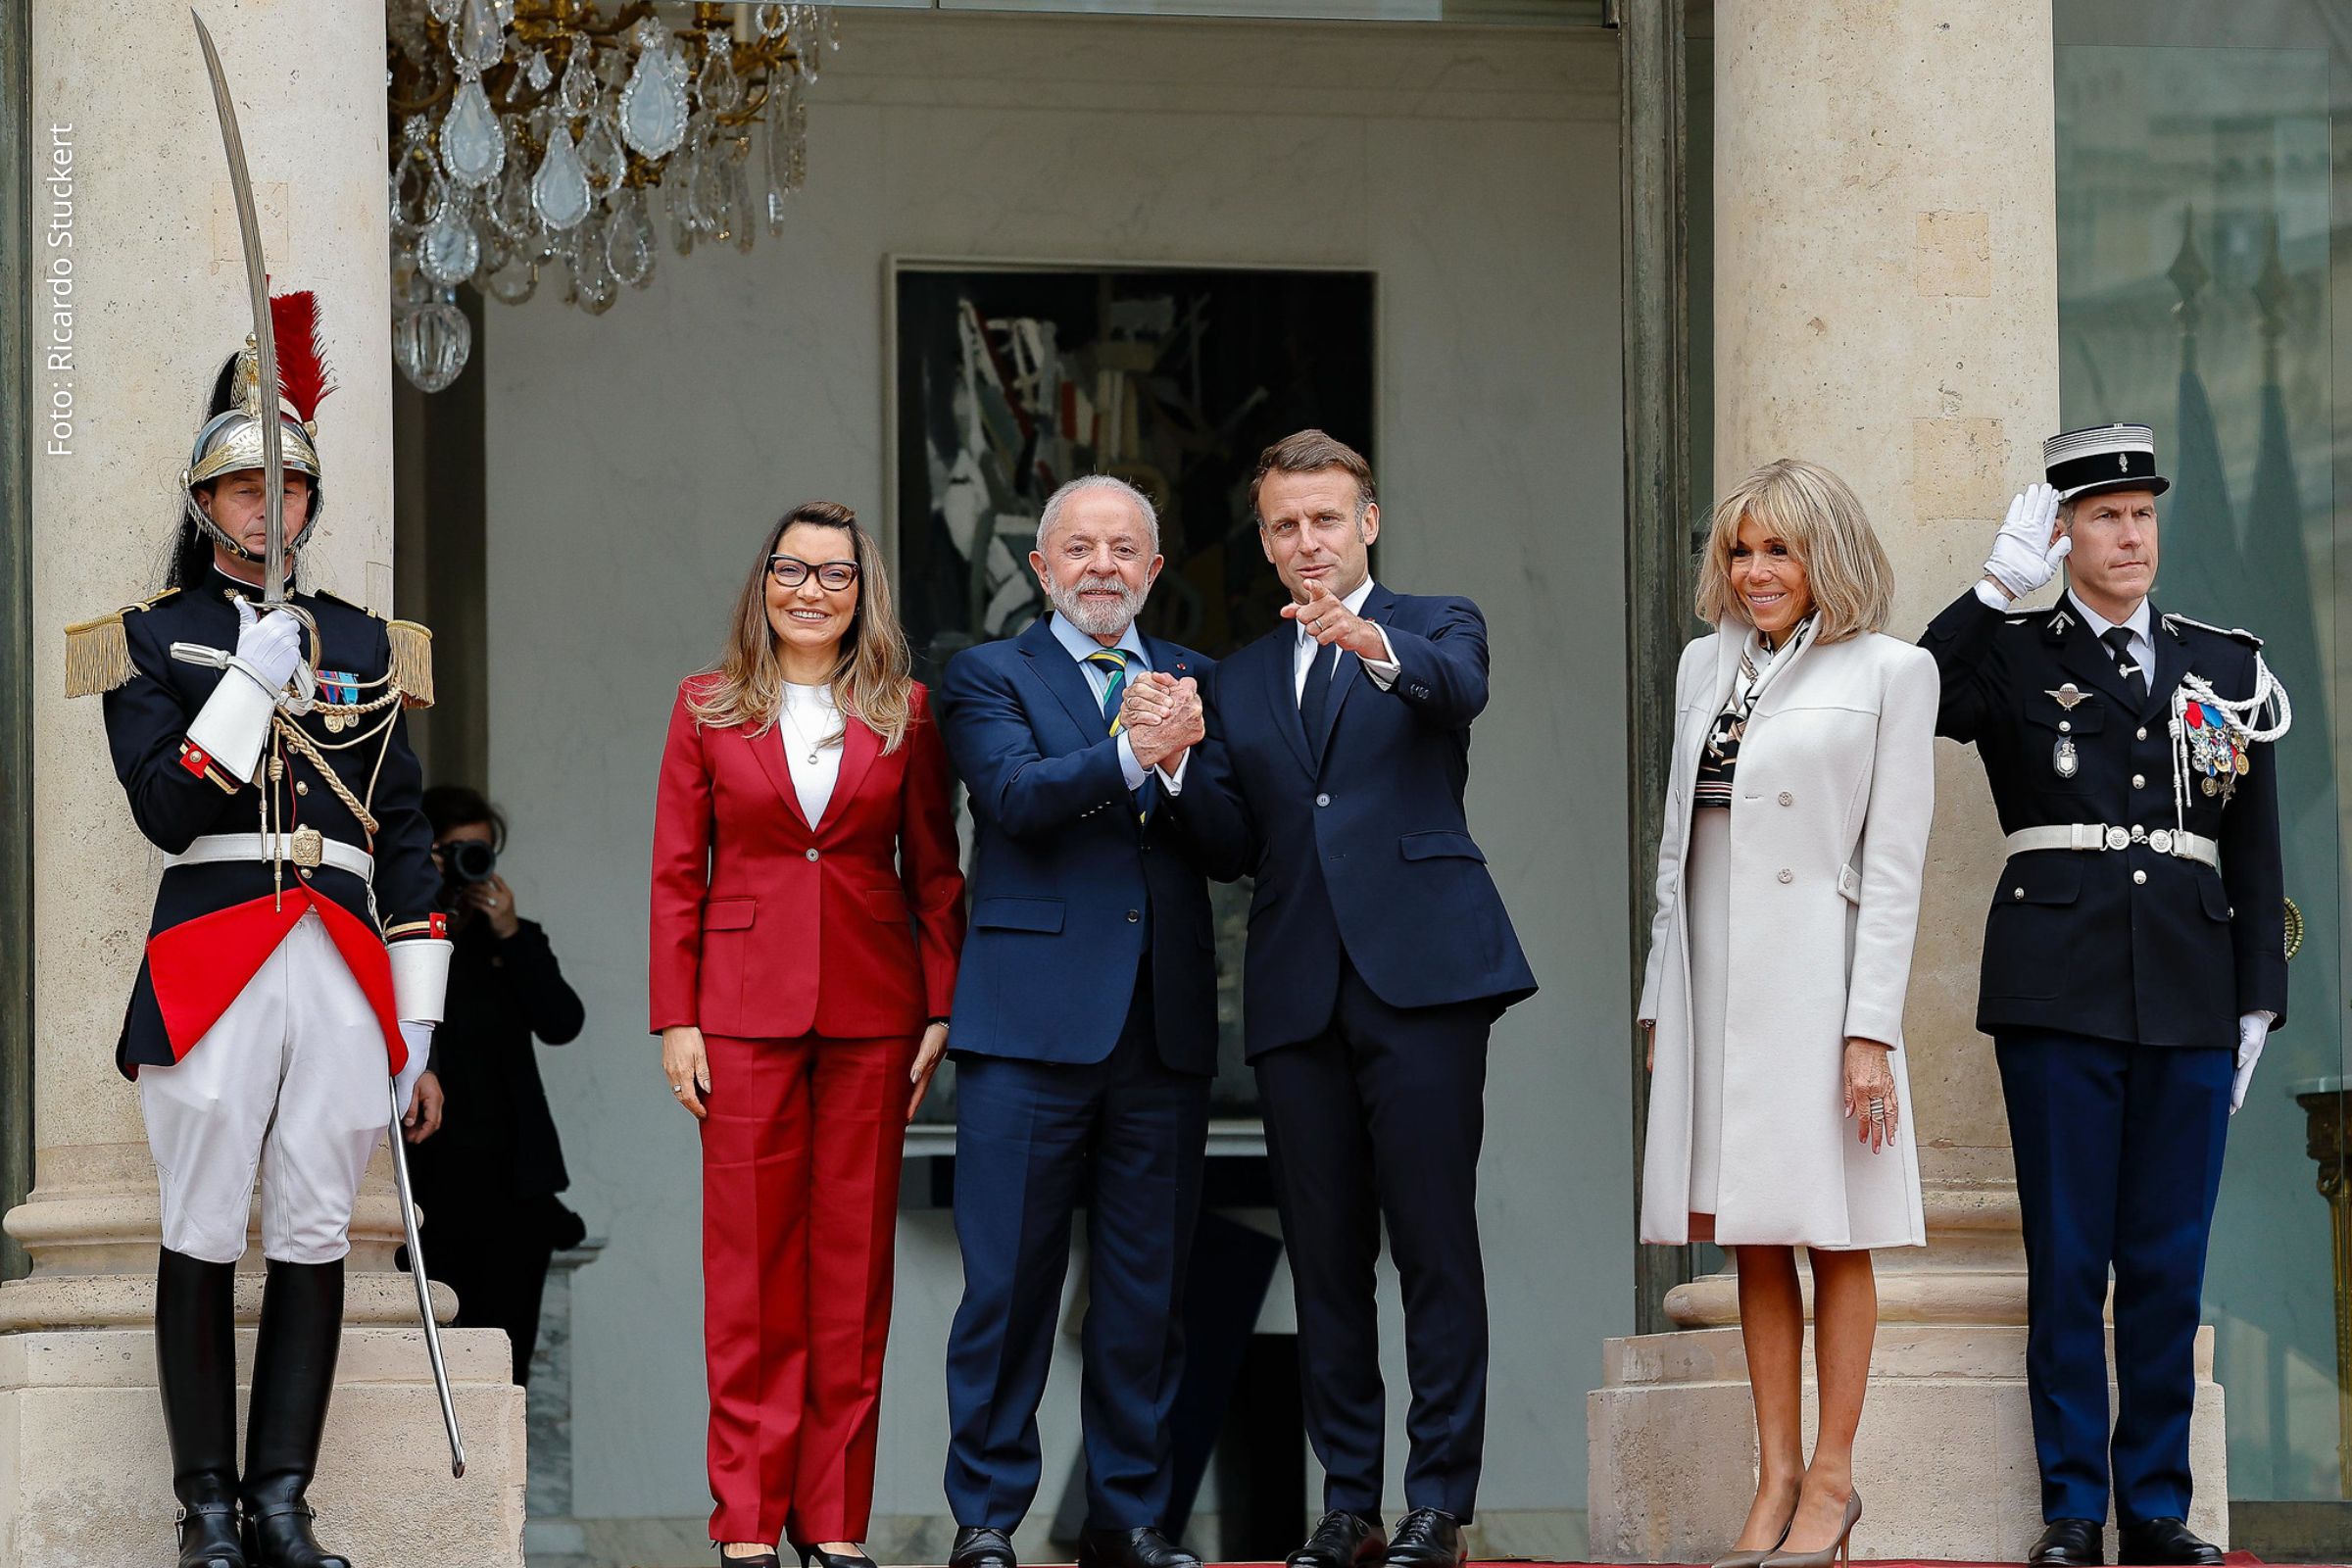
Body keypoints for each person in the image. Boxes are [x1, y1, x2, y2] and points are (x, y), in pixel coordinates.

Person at [64, 294, 450, 1568]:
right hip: (215, 949)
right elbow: (166, 809)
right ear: (205, 501)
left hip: (341, 955)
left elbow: (403, 832)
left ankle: (283, 1503)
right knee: (201, 1217)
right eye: (244, 488)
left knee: (316, 1224)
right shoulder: (148, 637)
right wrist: (245, 683)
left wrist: (419, 1016)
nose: (268, 508)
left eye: (288, 488)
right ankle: (207, 1512)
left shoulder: (372, 642)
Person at [1921, 425, 2288, 1568]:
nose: (2131, 536)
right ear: (2064, 533)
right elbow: (1919, 693)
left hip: (2189, 984)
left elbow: (2255, 845)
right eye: (2104, 517)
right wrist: (1994, 587)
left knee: (2169, 1264)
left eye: (2142, 514)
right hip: (2058, 987)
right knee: (2071, 1259)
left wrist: (2259, 998)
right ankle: (2075, 1508)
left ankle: (2160, 1509)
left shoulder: (2226, 665)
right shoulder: (2010, 654)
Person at [1167, 430, 1535, 1568]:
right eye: (1285, 524)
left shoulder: (1436, 622)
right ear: (1264, 540)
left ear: (1367, 522)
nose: (1308, 540)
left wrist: (1366, 640)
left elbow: (1458, 691)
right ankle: (1349, 1504)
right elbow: (1233, 843)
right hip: (1296, 989)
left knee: (1432, 1243)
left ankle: (1439, 1502)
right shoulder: (1236, 676)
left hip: (1424, 980)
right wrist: (1176, 762)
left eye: (1326, 518)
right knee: (1324, 1259)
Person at [651, 501, 965, 1568]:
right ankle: (746, 1522)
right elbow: (674, 872)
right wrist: (677, 1017)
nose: (811, 591)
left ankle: (832, 1519)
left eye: (835, 574)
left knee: (852, 1276)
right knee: (748, 1274)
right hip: (739, 1015)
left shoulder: (906, 711)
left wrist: (940, 1006)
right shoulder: (705, 705)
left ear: (863, 592)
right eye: (791, 570)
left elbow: (935, 870)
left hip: (875, 1016)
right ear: (763, 583)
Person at [1634, 460, 1936, 1568]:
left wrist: (1870, 1031)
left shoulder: (1895, 671)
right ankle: (1774, 1481)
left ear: (1827, 558)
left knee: (1834, 1232)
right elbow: (1676, 848)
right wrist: (1661, 993)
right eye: (1741, 551)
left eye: (1780, 550)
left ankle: (1834, 1482)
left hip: (1820, 979)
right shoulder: (1701, 664)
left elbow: (1893, 866)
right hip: (1714, 980)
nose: (1756, 571)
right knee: (1751, 1234)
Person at [935, 475, 1230, 1568]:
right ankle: (987, 1520)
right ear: (1042, 567)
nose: (1102, 566)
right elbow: (1015, 798)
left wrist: (1185, 759)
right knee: (1008, 1289)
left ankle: (1129, 1519)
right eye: (1079, 547)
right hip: (1026, 1028)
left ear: (1153, 569)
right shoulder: (988, 674)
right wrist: (1136, 752)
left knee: (1146, 1296)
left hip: (1162, 1029)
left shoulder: (1198, 679)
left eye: (1123, 549)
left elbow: (1237, 840)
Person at [404, 784, 586, 1387]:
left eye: (478, 852)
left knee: (508, 1366)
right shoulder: (404, 941)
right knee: (432, 1369)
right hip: (432, 1182)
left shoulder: (513, 940)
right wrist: (421, 891)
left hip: (512, 1190)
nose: (466, 864)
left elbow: (562, 1023)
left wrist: (510, 934)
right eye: (451, 851)